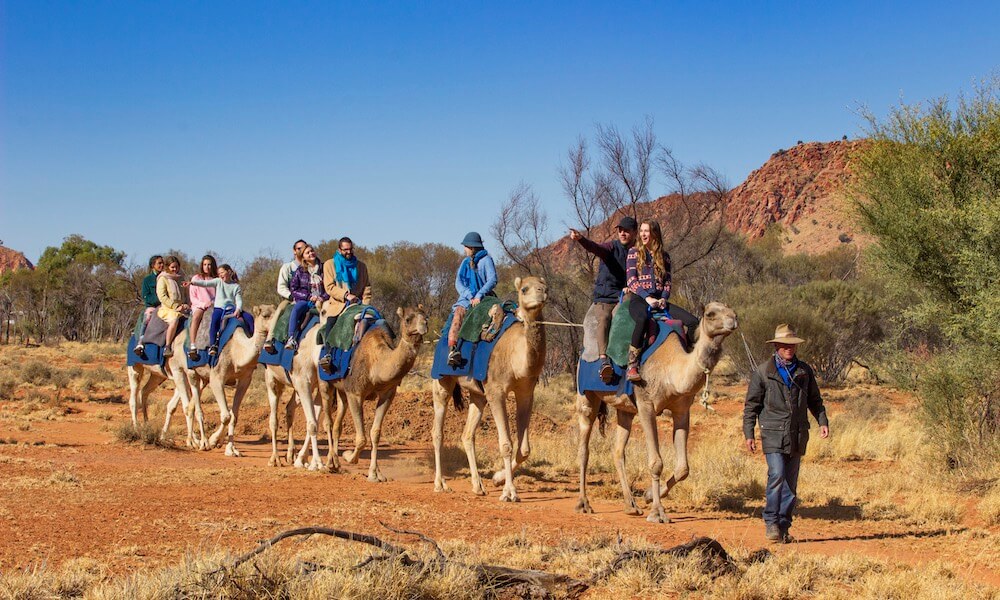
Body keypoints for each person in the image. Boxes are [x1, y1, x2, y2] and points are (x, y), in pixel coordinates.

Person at [743, 323, 830, 543]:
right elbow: (751, 406)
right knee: (777, 475)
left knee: (791, 485)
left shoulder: (804, 371)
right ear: (776, 346)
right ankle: (771, 522)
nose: (788, 348)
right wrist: (749, 433)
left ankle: (783, 526)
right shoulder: (763, 372)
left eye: (791, 344)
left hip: (797, 433)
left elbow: (815, 400)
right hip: (772, 432)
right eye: (784, 345)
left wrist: (822, 421)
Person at [623, 220, 699, 382]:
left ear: (655, 234)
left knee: (693, 322)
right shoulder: (633, 253)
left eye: (647, 231)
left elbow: (668, 282)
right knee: (642, 319)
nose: (643, 234)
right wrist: (647, 297)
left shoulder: (664, 256)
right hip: (639, 299)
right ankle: (633, 364)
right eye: (642, 231)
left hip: (660, 301)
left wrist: (664, 299)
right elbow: (631, 281)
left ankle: (688, 359)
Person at [569, 216, 637, 383]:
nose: (622, 233)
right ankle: (603, 360)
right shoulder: (611, 248)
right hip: (605, 298)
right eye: (620, 230)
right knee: (605, 319)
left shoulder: (637, 253)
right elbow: (596, 248)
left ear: (634, 233)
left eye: (626, 230)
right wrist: (581, 239)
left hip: (624, 296)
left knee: (626, 319)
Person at [318, 236, 373, 373]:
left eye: (350, 249)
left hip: (359, 305)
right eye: (345, 250)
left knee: (377, 323)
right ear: (339, 249)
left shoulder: (361, 266)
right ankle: (328, 356)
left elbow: (367, 287)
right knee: (331, 325)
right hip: (338, 305)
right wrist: (345, 295)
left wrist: (365, 304)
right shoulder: (329, 264)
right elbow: (329, 287)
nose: (348, 252)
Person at [447, 232, 497, 367]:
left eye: (466, 247)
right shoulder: (465, 263)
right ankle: (453, 350)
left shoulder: (486, 260)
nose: (464, 249)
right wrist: (470, 296)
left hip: (485, 297)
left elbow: (492, 280)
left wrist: (479, 295)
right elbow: (459, 282)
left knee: (500, 313)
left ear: (472, 247)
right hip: (466, 299)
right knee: (458, 314)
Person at [184, 263, 243, 356]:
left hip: (230, 309)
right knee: (214, 322)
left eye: (222, 272)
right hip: (217, 308)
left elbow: (238, 300)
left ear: (229, 272)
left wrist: (238, 309)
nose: (220, 275)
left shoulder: (236, 286)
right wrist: (192, 282)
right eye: (219, 273)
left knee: (248, 318)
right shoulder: (218, 281)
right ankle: (211, 345)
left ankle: (254, 343)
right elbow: (205, 284)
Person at [263, 240, 308, 353]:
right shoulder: (287, 267)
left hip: (309, 299)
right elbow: (281, 287)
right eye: (299, 248)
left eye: (304, 248)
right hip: (291, 299)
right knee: (280, 310)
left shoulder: (310, 266)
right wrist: (291, 296)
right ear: (294, 251)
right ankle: (270, 339)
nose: (301, 251)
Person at [285, 244, 328, 351]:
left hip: (323, 299)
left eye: (312, 251)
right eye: (307, 253)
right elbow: (294, 289)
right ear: (303, 257)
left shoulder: (324, 268)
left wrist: (322, 297)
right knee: (296, 309)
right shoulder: (300, 271)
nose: (311, 253)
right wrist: (308, 297)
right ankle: (291, 338)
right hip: (306, 300)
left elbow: (330, 286)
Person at [156, 256, 190, 357]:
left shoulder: (181, 278)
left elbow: (186, 294)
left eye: (176, 267)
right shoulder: (163, 279)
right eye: (172, 267)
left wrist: (187, 304)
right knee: (174, 320)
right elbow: (162, 296)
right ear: (167, 267)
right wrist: (175, 306)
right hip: (168, 309)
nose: (175, 269)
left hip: (183, 308)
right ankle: (167, 346)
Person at [187, 255, 218, 360]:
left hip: (213, 305)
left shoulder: (216, 280)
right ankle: (192, 345)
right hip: (199, 305)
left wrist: (212, 302)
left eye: (209, 264)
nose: (207, 267)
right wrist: (203, 304)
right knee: (196, 317)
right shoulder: (196, 278)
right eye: (205, 264)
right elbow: (193, 297)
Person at [133, 255, 164, 358]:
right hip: (153, 307)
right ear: (152, 265)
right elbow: (145, 295)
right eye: (159, 263)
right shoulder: (148, 280)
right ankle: (140, 342)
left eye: (162, 263)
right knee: (148, 317)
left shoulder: (166, 277)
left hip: (167, 307)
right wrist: (160, 300)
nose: (162, 265)